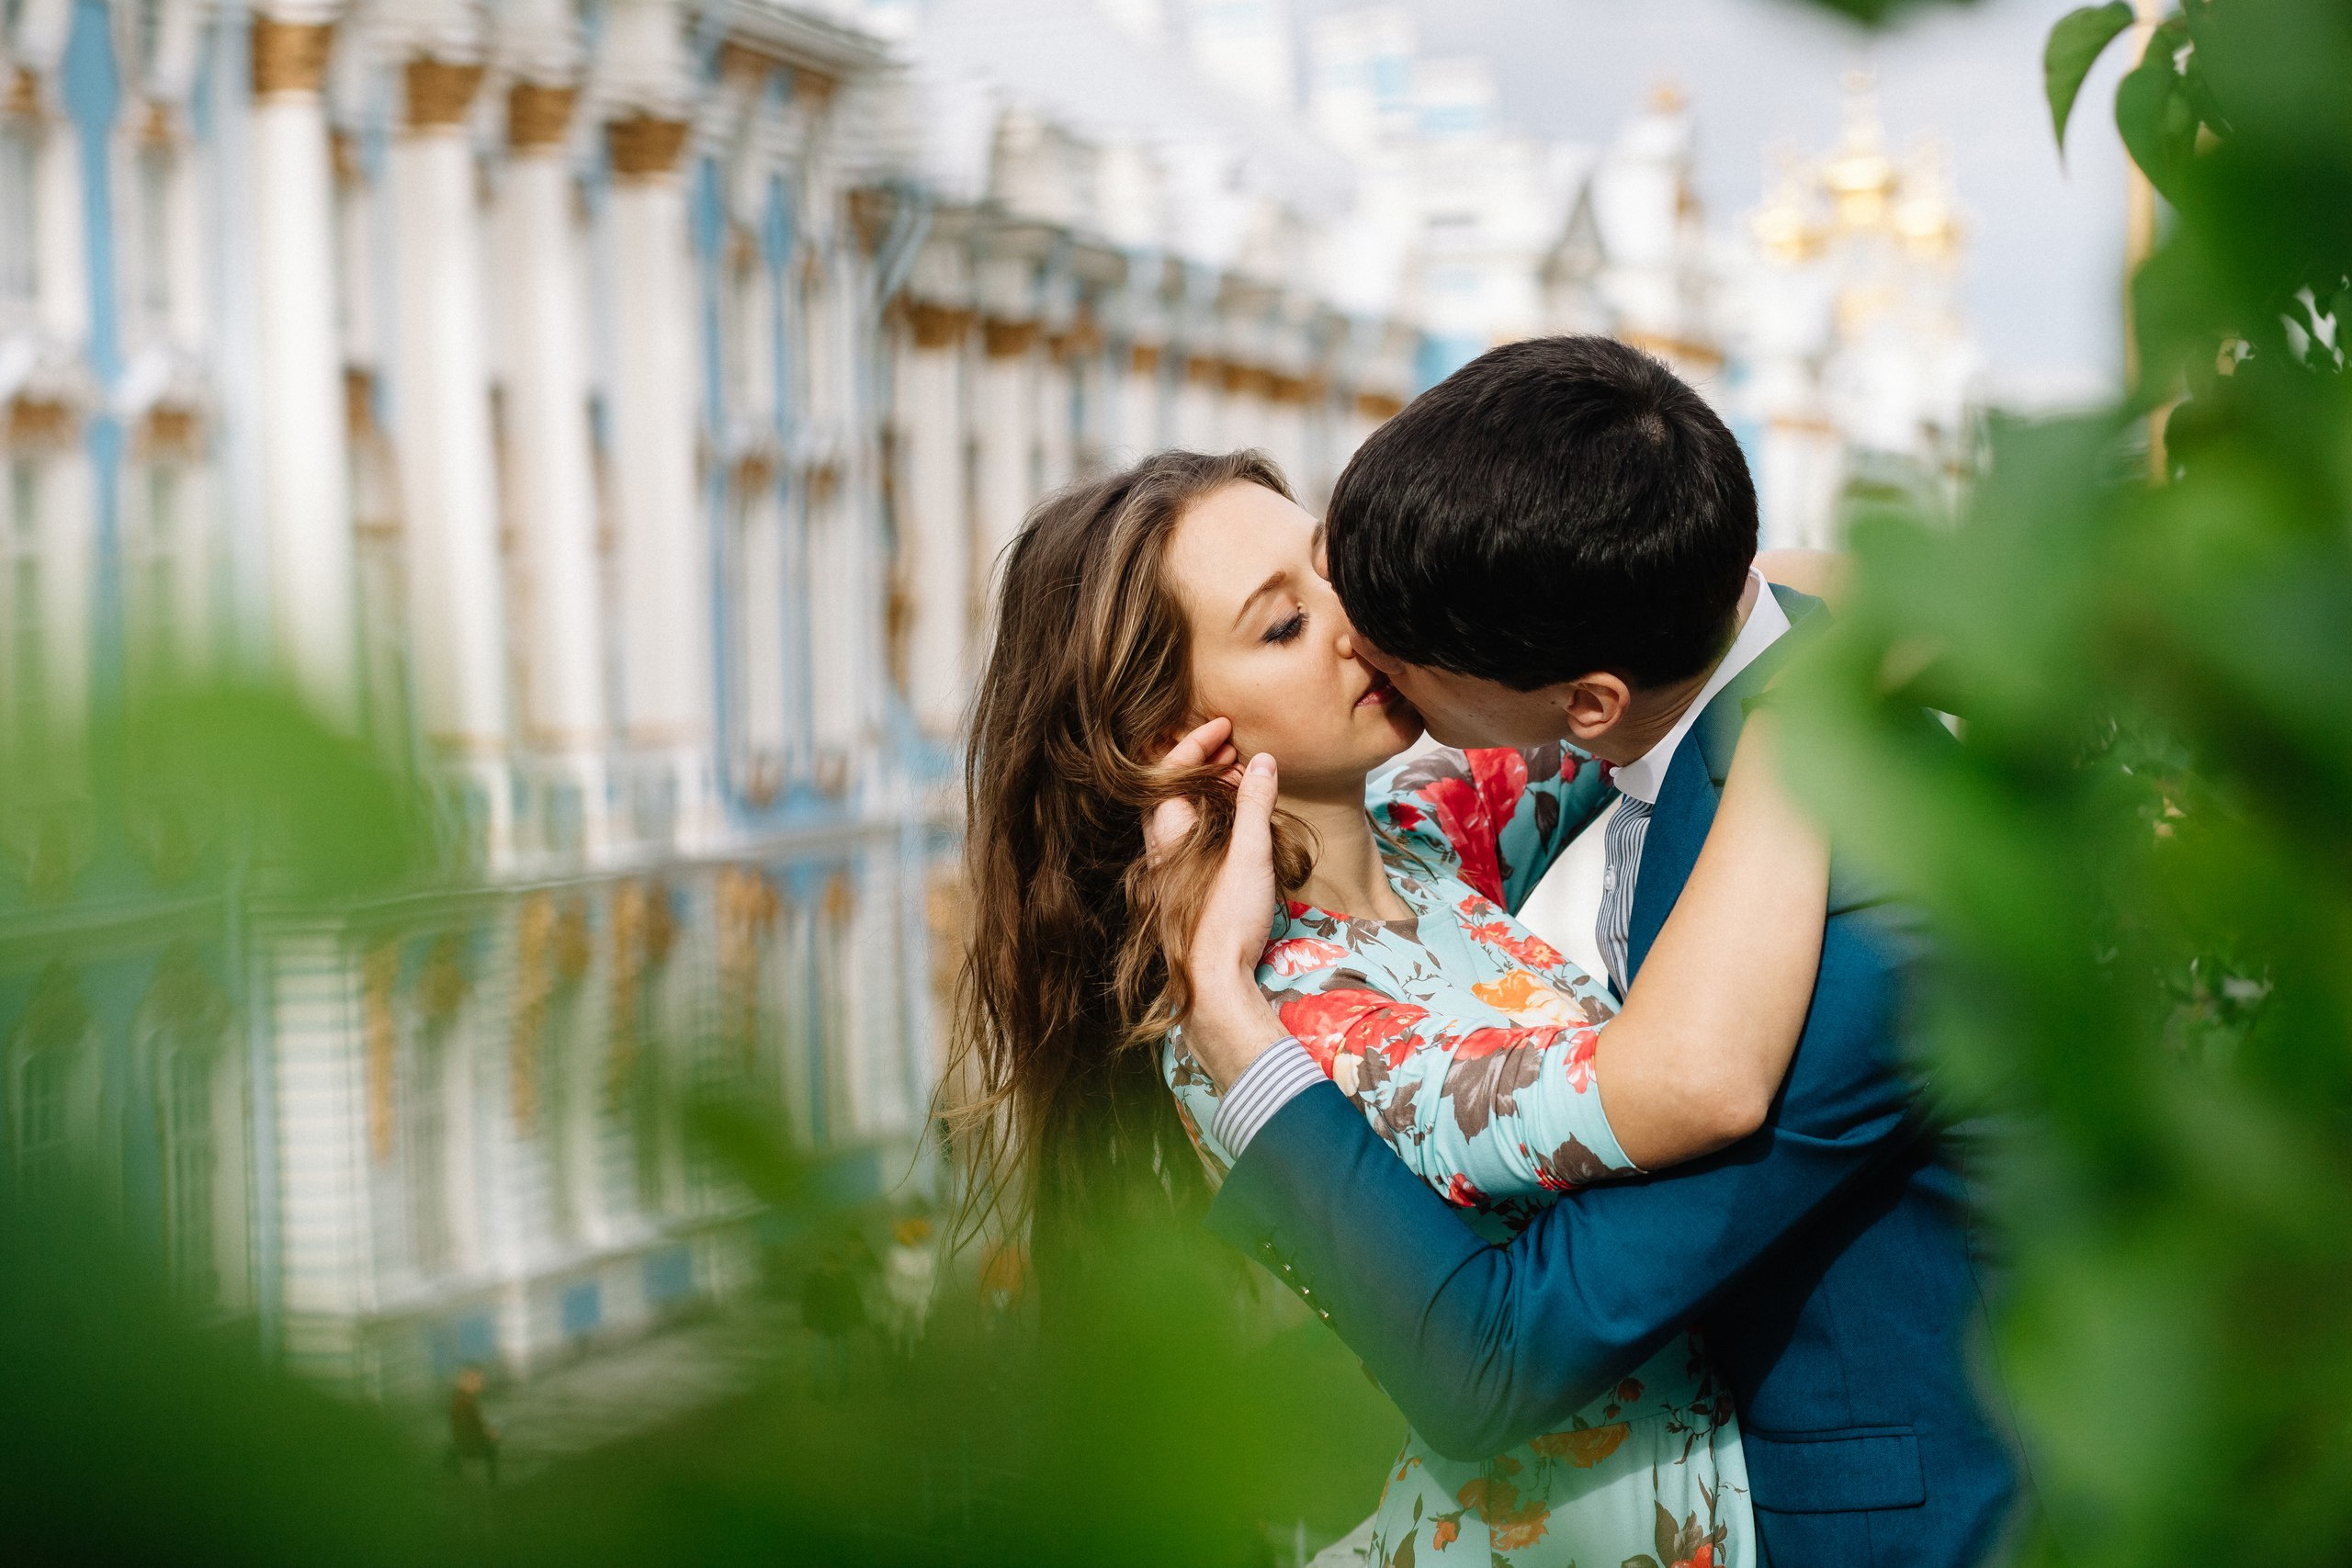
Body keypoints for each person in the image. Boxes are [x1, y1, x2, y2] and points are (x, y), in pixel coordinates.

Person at [1168, 338, 2018, 1567]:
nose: (1366, 645)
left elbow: (1500, 1350)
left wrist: (1231, 1025)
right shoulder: (1579, 756)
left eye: (1390, 633)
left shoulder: (1868, 893)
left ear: (1589, 699)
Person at [955, 444, 1839, 1564]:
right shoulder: (1295, 1009)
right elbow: (1681, 1086)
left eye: (1332, 568)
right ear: (1168, 744)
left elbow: (1693, 620)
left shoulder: (1431, 849)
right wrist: (1812, 709)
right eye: (1282, 625)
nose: (1352, 620)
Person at [445, 1365, 499, 1485]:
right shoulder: (464, 1403)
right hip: (471, 1451)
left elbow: (472, 1425)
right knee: (492, 1449)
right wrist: (489, 1435)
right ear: (468, 1382)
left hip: (467, 1447)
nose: (482, 1384)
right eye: (479, 1381)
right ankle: (490, 1485)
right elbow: (469, 1431)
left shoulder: (463, 1400)